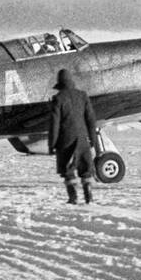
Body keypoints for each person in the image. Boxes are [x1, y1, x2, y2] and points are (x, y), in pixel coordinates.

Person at [48, 68, 99, 204]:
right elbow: (90, 119)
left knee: (68, 171)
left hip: (66, 141)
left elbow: (54, 125)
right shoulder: (83, 95)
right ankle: (89, 196)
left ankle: (73, 197)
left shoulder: (58, 99)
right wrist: (93, 139)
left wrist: (51, 145)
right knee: (86, 170)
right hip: (83, 140)